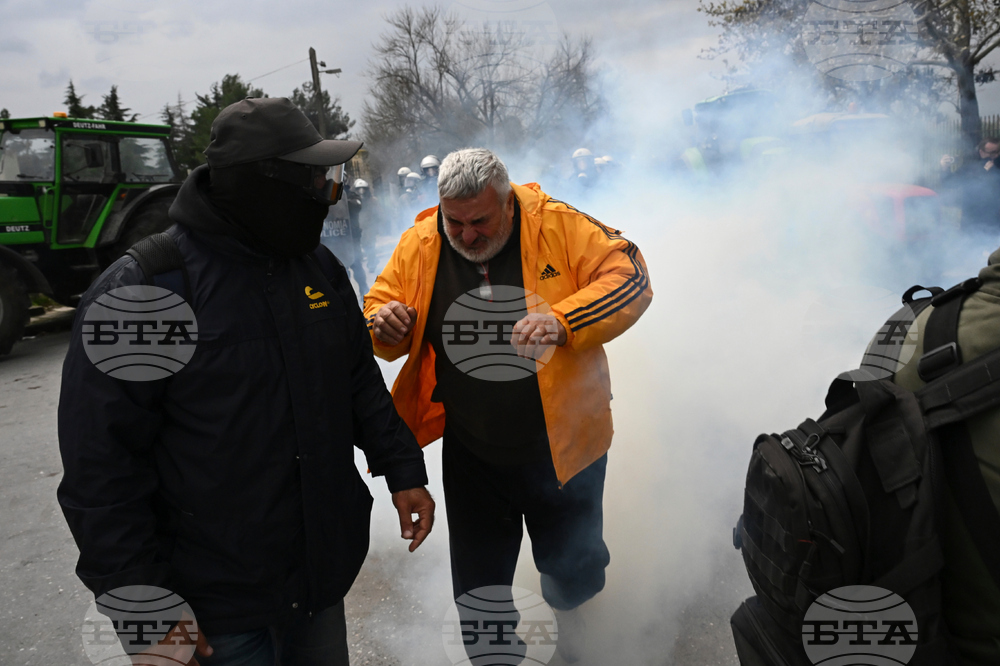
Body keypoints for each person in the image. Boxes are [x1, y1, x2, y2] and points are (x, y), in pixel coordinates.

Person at [57, 97, 435, 666]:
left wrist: (402, 468)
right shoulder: (145, 292)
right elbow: (99, 467)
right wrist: (144, 608)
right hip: (213, 607)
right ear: (263, 185)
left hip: (316, 584)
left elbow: (356, 380)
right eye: (315, 179)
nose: (326, 195)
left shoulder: (318, 269)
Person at [363, 148, 652, 662]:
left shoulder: (557, 225)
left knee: (573, 576)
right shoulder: (422, 243)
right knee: (478, 600)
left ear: (507, 203)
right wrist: (383, 325)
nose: (467, 235)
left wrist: (564, 321)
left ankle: (574, 627)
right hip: (473, 451)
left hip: (564, 445)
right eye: (455, 222)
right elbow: (377, 313)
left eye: (480, 221)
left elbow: (630, 275)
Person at [939, 137, 1000, 235]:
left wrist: (992, 173)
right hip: (972, 220)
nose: (996, 155)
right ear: (981, 152)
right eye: (992, 153)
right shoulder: (971, 167)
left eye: (997, 152)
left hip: (995, 221)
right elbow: (949, 183)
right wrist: (945, 168)